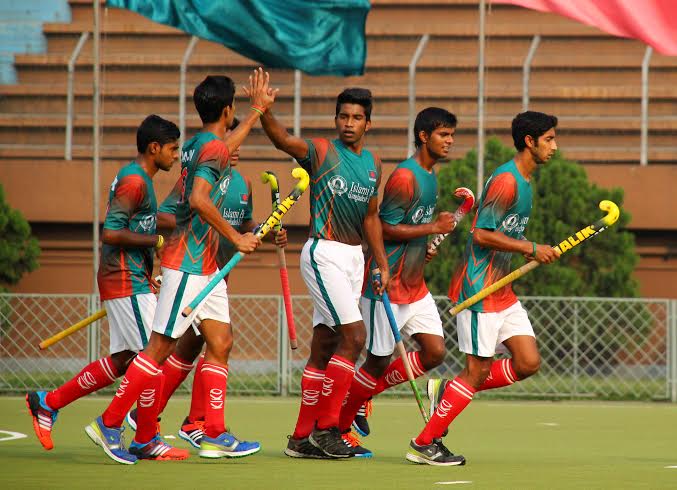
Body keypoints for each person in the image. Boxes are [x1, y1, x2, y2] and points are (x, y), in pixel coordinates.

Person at [84, 69, 277, 464]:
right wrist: (238, 237)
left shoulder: (197, 145)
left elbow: (222, 152)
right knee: (160, 347)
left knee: (221, 343)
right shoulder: (211, 149)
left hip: (206, 266)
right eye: (237, 108)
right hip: (186, 263)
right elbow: (202, 200)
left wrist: (256, 112)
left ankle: (215, 432)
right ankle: (110, 420)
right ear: (227, 110)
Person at [408, 111, 561, 466]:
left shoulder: (525, 183)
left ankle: (448, 391)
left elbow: (509, 232)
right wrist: (529, 248)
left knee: (527, 362)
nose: (554, 146)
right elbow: (480, 233)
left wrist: (536, 247)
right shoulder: (507, 181)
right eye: (549, 139)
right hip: (478, 291)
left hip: (502, 292)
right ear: (530, 141)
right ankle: (424, 443)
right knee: (475, 371)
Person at [125, 117, 288, 450]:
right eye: (231, 137)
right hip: (189, 270)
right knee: (180, 346)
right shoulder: (196, 178)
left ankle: (194, 424)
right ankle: (144, 416)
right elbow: (167, 216)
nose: (235, 146)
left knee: (210, 344)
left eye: (239, 139)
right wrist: (204, 225)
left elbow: (246, 224)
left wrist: (268, 232)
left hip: (216, 276)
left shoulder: (242, 183)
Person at [25, 115, 179, 452]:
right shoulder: (134, 181)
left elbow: (131, 229)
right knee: (156, 357)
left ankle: (48, 402)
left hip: (129, 277)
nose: (176, 155)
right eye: (172, 148)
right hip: (123, 279)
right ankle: (141, 436)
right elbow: (111, 232)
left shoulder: (141, 180)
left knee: (126, 360)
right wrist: (153, 242)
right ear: (154, 148)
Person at [260, 87, 390, 459]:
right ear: (336, 119)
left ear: (368, 121)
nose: (349, 124)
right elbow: (283, 139)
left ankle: (301, 438)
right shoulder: (321, 151)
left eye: (356, 117)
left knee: (325, 346)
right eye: (343, 116)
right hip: (324, 253)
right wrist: (265, 111)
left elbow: (370, 216)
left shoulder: (373, 163)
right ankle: (328, 429)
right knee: (355, 336)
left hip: (353, 259)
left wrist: (380, 262)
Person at [337, 108, 461, 457]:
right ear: (424, 136)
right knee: (377, 359)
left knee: (435, 351)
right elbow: (382, 227)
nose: (450, 141)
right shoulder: (405, 177)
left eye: (451, 135)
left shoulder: (430, 177)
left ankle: (365, 395)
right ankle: (341, 426)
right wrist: (432, 228)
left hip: (415, 286)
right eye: (443, 135)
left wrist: (425, 245)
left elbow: (412, 230)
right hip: (386, 286)